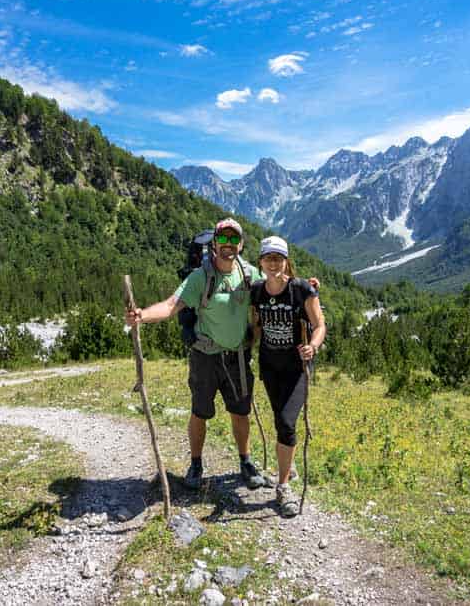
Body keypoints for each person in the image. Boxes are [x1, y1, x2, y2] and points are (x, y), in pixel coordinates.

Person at [126, 218, 268, 490]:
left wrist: (304, 288)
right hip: (205, 357)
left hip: (237, 356)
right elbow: (171, 306)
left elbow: (275, 290)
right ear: (214, 243)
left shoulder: (250, 273)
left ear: (241, 244)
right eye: (223, 239)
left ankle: (246, 462)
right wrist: (142, 315)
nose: (228, 244)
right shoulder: (199, 277)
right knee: (200, 412)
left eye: (233, 239)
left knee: (240, 412)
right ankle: (196, 463)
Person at [250, 235, 326, 517]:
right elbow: (254, 324)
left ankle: (282, 488)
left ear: (286, 261)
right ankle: (287, 464)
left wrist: (313, 346)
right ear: (260, 262)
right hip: (270, 366)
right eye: (268, 258)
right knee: (279, 419)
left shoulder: (301, 290)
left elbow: (319, 325)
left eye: (278, 258)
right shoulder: (256, 291)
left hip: (297, 369)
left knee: (286, 422)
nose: (273, 263)